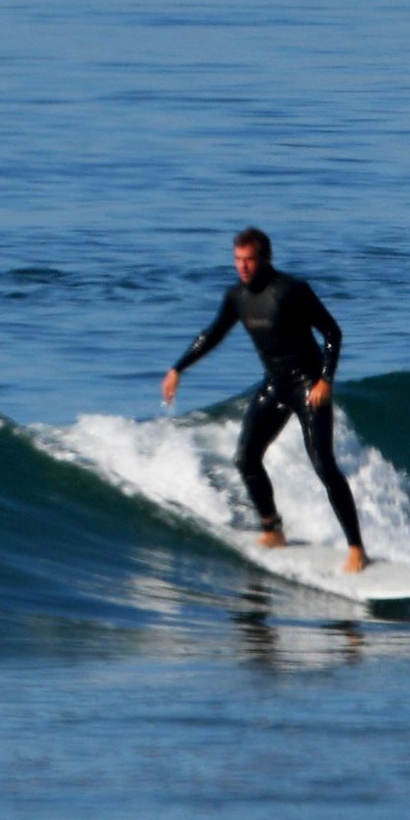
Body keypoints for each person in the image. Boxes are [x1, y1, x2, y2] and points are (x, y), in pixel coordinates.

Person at [162, 227, 366, 573]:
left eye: (249, 260)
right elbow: (212, 334)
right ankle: (272, 529)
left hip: (308, 386)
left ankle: (356, 548)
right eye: (238, 260)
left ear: (266, 259)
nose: (242, 267)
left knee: (324, 466)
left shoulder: (291, 291)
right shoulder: (236, 297)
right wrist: (178, 368)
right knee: (245, 458)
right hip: (275, 386)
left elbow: (332, 332)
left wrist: (325, 380)